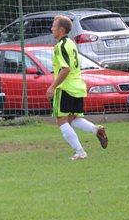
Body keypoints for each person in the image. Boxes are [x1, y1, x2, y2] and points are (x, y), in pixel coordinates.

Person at [46, 16, 108, 160]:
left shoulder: (60, 46)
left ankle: (80, 152)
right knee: (72, 118)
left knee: (61, 120)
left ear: (61, 30)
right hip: (78, 86)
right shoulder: (71, 43)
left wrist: (53, 87)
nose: (51, 28)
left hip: (66, 88)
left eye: (54, 26)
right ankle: (96, 129)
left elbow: (65, 69)